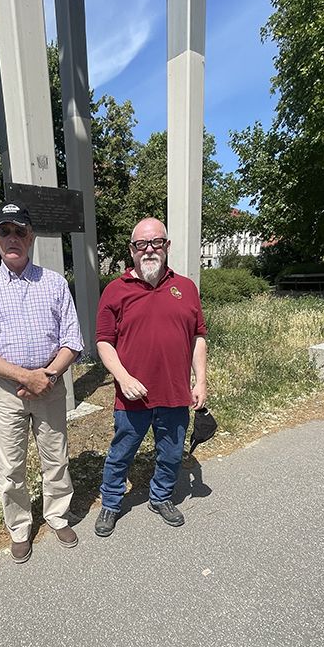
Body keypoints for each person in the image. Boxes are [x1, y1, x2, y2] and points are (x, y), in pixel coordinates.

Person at [0, 201, 83, 562]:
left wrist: (46, 376)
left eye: (20, 230)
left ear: (31, 237)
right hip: (7, 392)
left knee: (56, 457)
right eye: (6, 231)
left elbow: (73, 341)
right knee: (10, 465)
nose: (13, 238)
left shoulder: (54, 283)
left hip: (50, 386)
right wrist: (25, 377)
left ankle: (57, 515)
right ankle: (19, 528)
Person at [94, 217, 207, 537]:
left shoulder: (185, 288)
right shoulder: (115, 291)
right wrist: (123, 378)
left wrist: (200, 381)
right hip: (132, 396)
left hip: (174, 391)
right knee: (121, 452)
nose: (149, 250)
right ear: (132, 250)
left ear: (167, 246)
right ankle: (112, 502)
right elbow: (103, 341)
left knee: (171, 452)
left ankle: (161, 497)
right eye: (141, 245)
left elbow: (198, 337)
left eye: (156, 243)